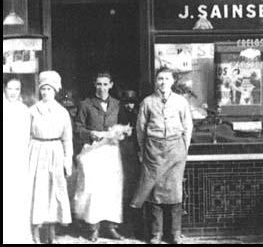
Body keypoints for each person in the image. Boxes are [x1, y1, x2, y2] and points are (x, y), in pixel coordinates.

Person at [130, 67, 193, 244]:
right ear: (156, 82)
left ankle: (175, 233)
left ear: (172, 81)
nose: (163, 82)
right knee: (154, 192)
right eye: (160, 79)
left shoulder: (181, 102)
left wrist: (183, 149)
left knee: (175, 192)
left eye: (166, 79)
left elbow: (187, 126)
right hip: (153, 150)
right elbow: (140, 129)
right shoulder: (147, 102)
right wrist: (144, 151)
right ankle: (156, 233)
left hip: (175, 150)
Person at [73, 72, 125, 241]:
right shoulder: (85, 104)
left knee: (111, 188)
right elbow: (78, 128)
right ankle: (92, 227)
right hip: (93, 151)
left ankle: (110, 226)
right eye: (99, 84)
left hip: (110, 150)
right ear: (94, 85)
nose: (102, 88)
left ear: (111, 85)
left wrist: (121, 132)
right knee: (93, 188)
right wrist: (90, 134)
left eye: (105, 84)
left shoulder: (117, 104)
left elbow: (125, 125)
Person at [28, 71, 73, 244]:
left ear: (55, 91)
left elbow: (67, 139)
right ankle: (36, 231)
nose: (46, 92)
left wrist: (67, 159)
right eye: (43, 89)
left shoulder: (62, 112)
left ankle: (51, 232)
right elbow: (26, 135)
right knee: (38, 190)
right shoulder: (32, 110)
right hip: (37, 151)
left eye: (49, 89)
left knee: (54, 190)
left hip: (55, 151)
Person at [3, 77, 33, 244]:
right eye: (10, 89)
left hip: (19, 157)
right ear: (4, 89)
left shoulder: (24, 110)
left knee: (18, 195)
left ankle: (19, 236)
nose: (13, 93)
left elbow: (26, 135)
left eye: (17, 89)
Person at [118, 89, 141, 237]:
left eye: (132, 102)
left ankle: (135, 226)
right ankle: (124, 226)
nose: (129, 106)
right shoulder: (119, 114)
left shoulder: (138, 115)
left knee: (135, 189)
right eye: (127, 102)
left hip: (135, 156)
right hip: (121, 154)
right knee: (124, 190)